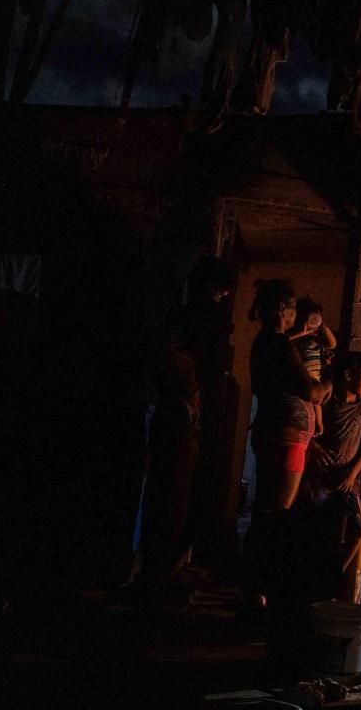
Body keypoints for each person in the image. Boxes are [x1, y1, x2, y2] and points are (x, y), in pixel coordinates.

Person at [132, 257, 232, 605]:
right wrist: (181, 400)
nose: (221, 298)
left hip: (187, 419)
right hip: (178, 421)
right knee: (170, 496)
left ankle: (159, 573)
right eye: (219, 292)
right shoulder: (188, 322)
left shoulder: (194, 324)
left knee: (178, 497)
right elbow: (161, 355)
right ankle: (154, 576)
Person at [240, 279, 329, 615]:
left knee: (266, 512)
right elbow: (310, 392)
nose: (296, 313)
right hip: (286, 436)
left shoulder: (268, 342)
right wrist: (331, 380)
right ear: (281, 309)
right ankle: (257, 594)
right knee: (274, 517)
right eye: (292, 306)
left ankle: (253, 592)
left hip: (275, 432)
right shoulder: (277, 343)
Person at [302, 351, 361, 602]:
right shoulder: (326, 403)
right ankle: (312, 587)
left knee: (359, 531)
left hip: (347, 481)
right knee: (315, 533)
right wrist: (314, 449)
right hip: (320, 480)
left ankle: (334, 578)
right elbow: (307, 431)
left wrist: (352, 474)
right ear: (348, 376)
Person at [286, 297, 337, 437]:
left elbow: (332, 344)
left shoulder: (314, 339)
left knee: (317, 404)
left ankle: (318, 423)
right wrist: (299, 333)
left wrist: (322, 326)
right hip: (300, 379)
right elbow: (282, 341)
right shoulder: (293, 338)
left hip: (315, 379)